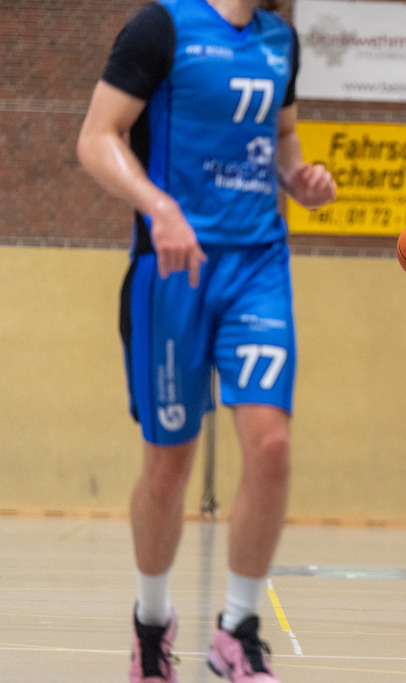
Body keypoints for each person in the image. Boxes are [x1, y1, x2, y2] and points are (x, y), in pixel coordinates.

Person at [76, 0, 336, 680]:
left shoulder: (281, 41)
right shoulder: (161, 28)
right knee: (169, 467)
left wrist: (299, 176)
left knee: (272, 446)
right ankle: (151, 620)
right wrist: (158, 208)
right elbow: (96, 138)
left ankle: (237, 630)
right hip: (172, 268)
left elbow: (282, 136)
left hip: (258, 267)